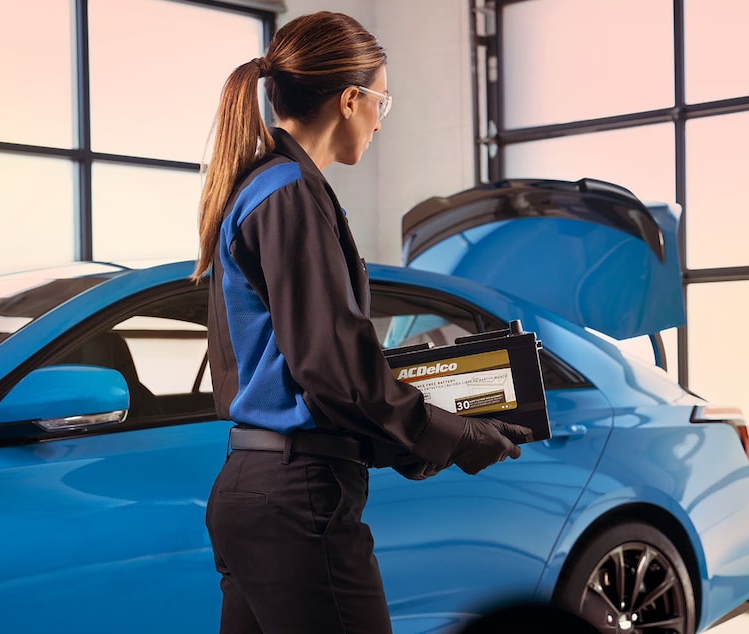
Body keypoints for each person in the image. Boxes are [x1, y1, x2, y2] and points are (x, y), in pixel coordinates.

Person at [192, 11, 531, 634]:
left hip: (258, 490)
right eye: (381, 101)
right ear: (351, 100)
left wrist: (414, 443)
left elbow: (311, 372)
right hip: (297, 501)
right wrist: (456, 436)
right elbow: (336, 373)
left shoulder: (261, 186)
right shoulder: (289, 192)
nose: (380, 120)